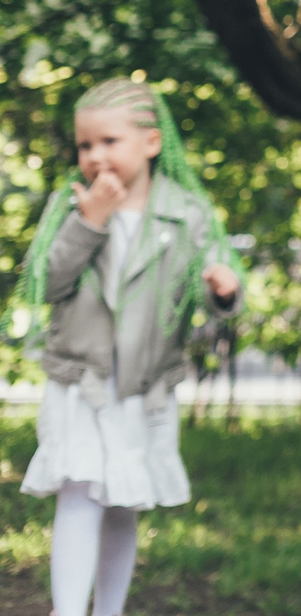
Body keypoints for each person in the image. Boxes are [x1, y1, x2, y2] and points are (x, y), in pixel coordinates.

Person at [13, 77, 241, 616]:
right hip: (81, 382)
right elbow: (48, 282)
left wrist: (223, 290)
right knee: (79, 492)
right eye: (85, 145)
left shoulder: (185, 212)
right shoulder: (71, 205)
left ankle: (109, 609)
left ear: (152, 143)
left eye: (109, 142)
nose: (95, 156)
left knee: (121, 504)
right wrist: (90, 220)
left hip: (143, 386)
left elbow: (212, 284)